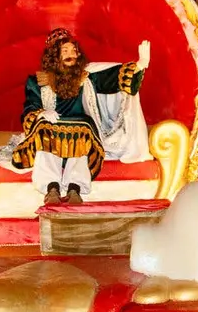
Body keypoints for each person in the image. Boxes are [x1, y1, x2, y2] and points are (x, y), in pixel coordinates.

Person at [11, 28, 150, 205]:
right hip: (51, 129)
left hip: (81, 129)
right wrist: (41, 114)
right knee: (44, 132)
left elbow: (112, 78)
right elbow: (30, 106)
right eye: (65, 51)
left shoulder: (87, 77)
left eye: (73, 51)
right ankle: (51, 188)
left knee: (83, 133)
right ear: (55, 56)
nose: (71, 55)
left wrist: (139, 65)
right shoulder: (37, 82)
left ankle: (74, 189)